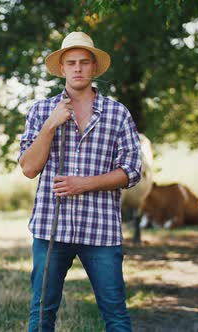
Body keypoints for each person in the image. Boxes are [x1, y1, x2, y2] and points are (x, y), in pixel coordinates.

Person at [18, 31, 141, 332]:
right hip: (51, 229)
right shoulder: (40, 111)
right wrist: (50, 126)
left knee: (115, 314)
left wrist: (83, 184)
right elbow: (29, 168)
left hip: (101, 230)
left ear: (94, 68)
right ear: (61, 68)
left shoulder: (117, 114)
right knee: (42, 314)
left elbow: (132, 171)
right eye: (71, 62)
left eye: (84, 62)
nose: (77, 68)